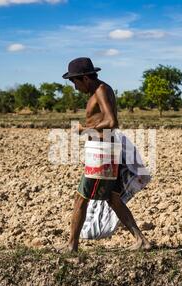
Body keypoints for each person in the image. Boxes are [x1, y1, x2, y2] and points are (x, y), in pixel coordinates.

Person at [60, 57, 151, 253]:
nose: (75, 87)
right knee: (113, 198)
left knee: (80, 198)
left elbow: (111, 122)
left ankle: (71, 245)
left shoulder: (100, 90)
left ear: (84, 78)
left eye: (75, 82)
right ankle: (141, 240)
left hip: (103, 154)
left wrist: (85, 128)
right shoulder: (98, 90)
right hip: (104, 151)